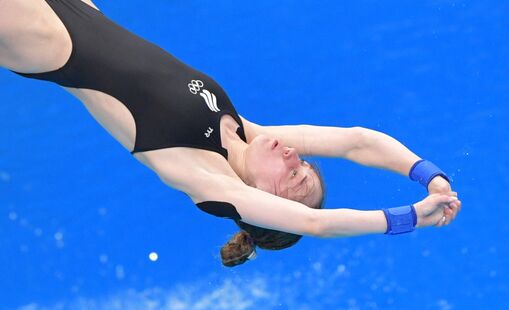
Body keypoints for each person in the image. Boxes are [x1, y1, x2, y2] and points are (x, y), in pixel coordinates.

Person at [0, 0, 461, 267]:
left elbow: (316, 223)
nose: (294, 156)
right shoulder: (244, 131)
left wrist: (411, 217)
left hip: (42, 39)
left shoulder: (206, 179)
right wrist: (429, 176)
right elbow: (358, 141)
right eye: (305, 165)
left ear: (263, 200)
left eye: (293, 177)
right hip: (79, 10)